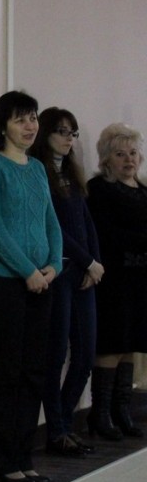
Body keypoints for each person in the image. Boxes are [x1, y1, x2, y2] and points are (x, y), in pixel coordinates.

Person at [0, 91, 62, 482]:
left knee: (34, 370)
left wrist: (55, 265)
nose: (30, 126)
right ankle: (2, 459)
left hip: (42, 281)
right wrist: (28, 271)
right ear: (2, 126)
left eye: (33, 118)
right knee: (8, 369)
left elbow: (50, 222)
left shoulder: (38, 168)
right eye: (20, 119)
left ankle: (24, 456)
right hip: (3, 282)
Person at [29, 108, 103, 455]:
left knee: (85, 355)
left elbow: (86, 223)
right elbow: (54, 229)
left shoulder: (72, 176)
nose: (68, 139)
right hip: (58, 271)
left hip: (84, 274)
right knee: (56, 354)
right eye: (61, 131)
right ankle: (57, 431)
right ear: (45, 133)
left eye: (73, 133)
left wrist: (94, 263)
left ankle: (64, 424)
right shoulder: (37, 173)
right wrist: (87, 261)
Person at [86, 123, 147, 441]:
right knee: (112, 341)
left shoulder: (143, 190)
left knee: (132, 342)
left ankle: (122, 410)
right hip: (113, 279)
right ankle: (101, 414)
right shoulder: (99, 189)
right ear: (106, 159)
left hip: (140, 279)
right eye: (120, 154)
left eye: (133, 153)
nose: (129, 159)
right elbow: (106, 234)